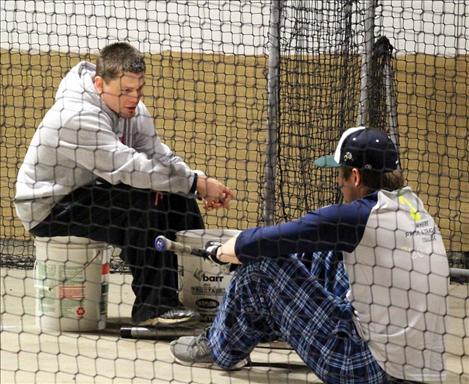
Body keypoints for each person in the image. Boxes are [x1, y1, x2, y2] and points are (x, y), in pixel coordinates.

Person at [170, 127, 450, 383]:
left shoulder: (360, 217)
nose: (339, 184)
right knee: (324, 254)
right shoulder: (414, 206)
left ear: (354, 176)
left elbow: (270, 240)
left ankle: (221, 347)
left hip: (366, 369)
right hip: (420, 369)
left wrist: (223, 250)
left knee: (261, 270)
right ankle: (262, 326)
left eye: (340, 174)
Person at [15, 42, 235, 326]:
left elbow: (158, 155)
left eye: (138, 90)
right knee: (141, 201)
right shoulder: (75, 116)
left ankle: (194, 295)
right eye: (125, 91)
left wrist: (197, 180)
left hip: (92, 192)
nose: (134, 98)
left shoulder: (134, 111)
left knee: (175, 197)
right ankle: (153, 308)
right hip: (50, 208)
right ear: (99, 84)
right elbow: (128, 168)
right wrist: (194, 183)